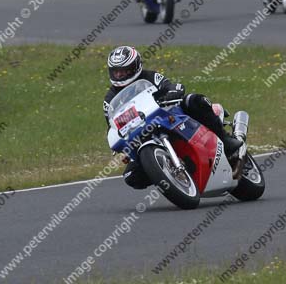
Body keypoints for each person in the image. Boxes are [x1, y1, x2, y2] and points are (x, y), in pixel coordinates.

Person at [103, 46, 242, 190]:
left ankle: (225, 140)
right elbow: (112, 125)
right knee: (131, 176)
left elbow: (169, 85)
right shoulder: (110, 99)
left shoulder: (149, 77)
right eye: (116, 71)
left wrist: (173, 92)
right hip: (140, 134)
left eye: (124, 70)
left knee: (194, 100)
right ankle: (167, 174)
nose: (119, 75)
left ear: (136, 66)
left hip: (167, 114)